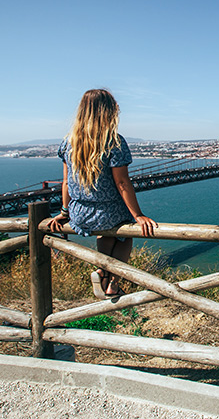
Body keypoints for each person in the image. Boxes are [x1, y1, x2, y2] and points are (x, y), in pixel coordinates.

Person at [49, 89, 157, 299]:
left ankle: (102, 271)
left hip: (79, 212)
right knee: (125, 234)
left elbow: (65, 182)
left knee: (104, 232)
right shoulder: (114, 142)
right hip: (108, 212)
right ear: (109, 112)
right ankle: (112, 283)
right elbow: (122, 182)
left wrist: (64, 212)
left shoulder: (68, 142)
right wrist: (138, 215)